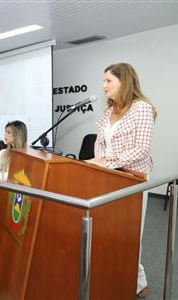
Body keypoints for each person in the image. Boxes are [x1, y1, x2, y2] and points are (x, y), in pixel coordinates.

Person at [87, 63, 156, 298]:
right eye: (104, 80)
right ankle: (122, 278)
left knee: (130, 233)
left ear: (123, 81)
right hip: (109, 178)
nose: (103, 85)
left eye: (108, 81)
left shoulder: (142, 108)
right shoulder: (108, 111)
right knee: (111, 232)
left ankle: (137, 282)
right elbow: (100, 142)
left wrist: (106, 162)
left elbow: (142, 149)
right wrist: (98, 159)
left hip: (133, 179)